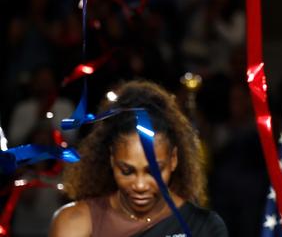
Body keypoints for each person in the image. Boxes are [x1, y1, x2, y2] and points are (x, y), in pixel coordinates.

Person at [49, 80, 228, 236]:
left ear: (173, 159)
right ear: (112, 159)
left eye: (154, 171)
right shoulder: (74, 222)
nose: (140, 185)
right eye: (127, 171)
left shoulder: (203, 227)